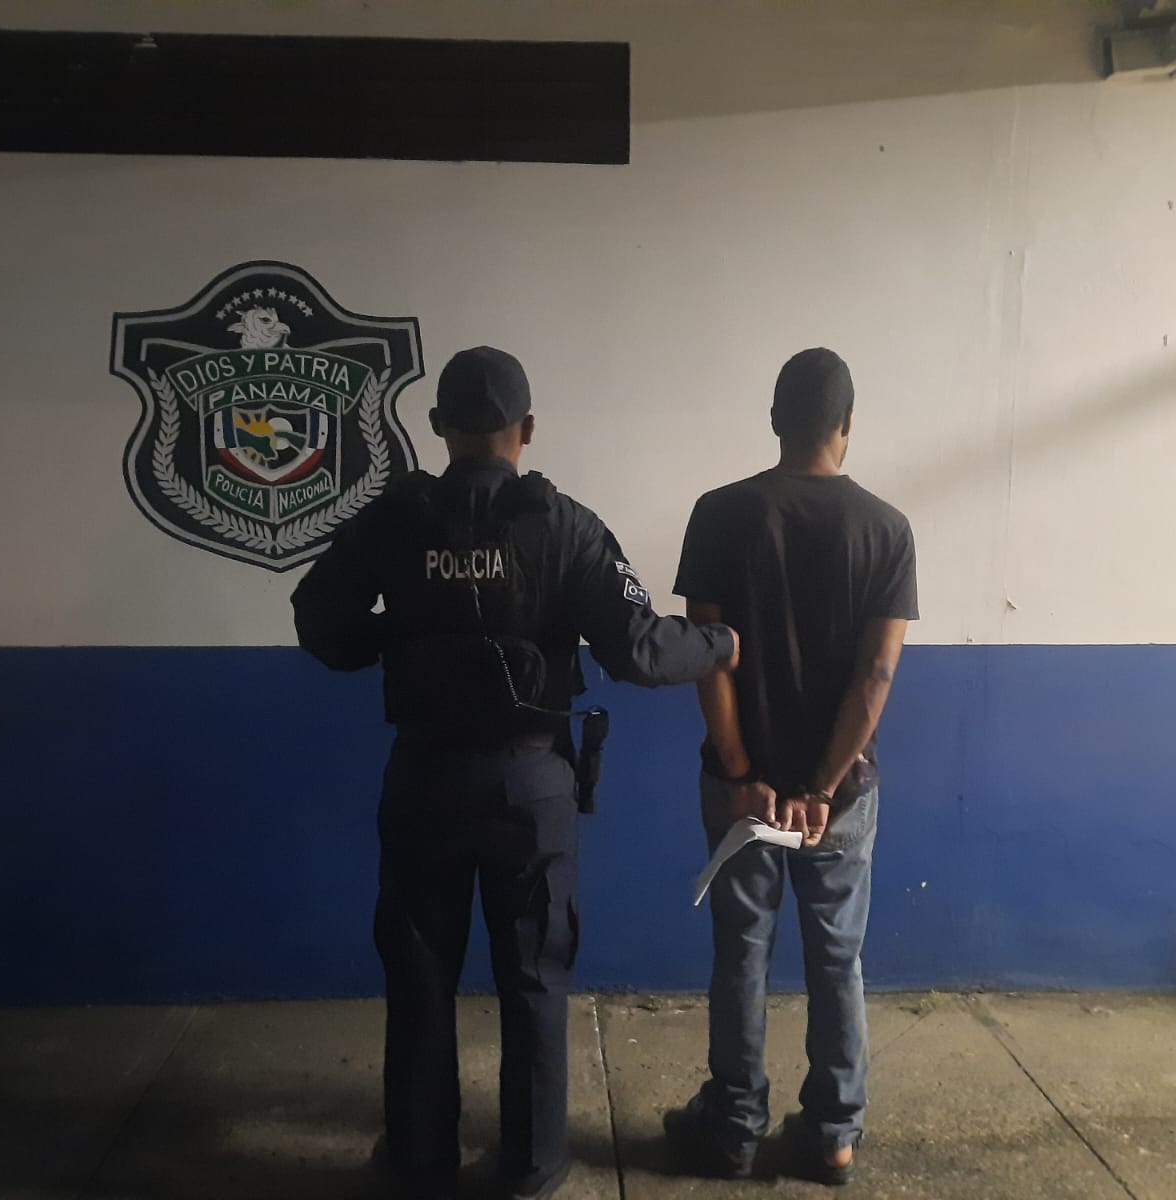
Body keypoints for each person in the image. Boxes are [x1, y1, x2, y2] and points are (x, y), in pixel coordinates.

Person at [291, 346, 739, 1200]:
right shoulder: (564, 525)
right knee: (535, 976)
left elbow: (320, 623)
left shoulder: (396, 518)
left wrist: (404, 641)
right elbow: (641, 649)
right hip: (531, 788)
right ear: (527, 429)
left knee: (420, 975)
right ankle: (531, 1168)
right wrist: (721, 643)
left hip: (423, 779)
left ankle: (420, 1158)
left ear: (437, 426)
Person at [663, 347, 918, 1185]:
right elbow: (874, 677)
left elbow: (710, 657)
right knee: (837, 957)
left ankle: (734, 1127)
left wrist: (743, 775)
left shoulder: (718, 514)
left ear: (775, 419)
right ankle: (835, 1134)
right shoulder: (887, 530)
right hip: (839, 794)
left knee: (741, 952)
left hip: (741, 787)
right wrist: (822, 788)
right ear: (848, 425)